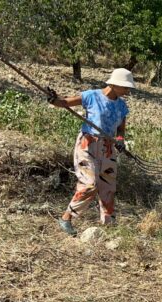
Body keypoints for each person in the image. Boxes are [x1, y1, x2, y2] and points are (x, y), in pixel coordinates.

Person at [49, 68, 135, 236]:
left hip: (108, 148)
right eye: (125, 87)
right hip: (88, 145)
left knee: (108, 185)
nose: (128, 91)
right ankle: (66, 218)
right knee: (90, 184)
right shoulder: (91, 96)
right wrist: (54, 100)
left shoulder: (122, 106)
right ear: (115, 84)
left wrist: (120, 141)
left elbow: (121, 130)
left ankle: (108, 224)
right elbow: (65, 102)